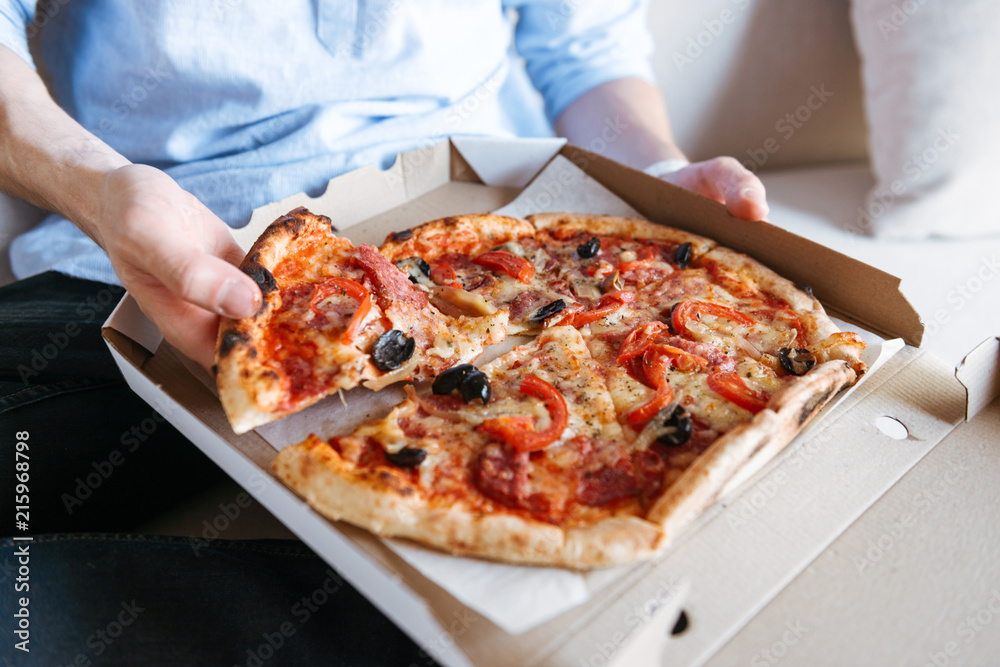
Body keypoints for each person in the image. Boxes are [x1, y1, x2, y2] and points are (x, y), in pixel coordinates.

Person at [0, 1, 767, 663]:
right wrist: (96, 188)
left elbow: (583, 45)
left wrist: (652, 170)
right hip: (129, 254)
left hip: (490, 238)